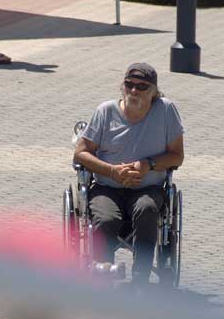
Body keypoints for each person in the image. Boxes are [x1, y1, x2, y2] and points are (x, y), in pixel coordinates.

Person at [73, 63, 185, 286]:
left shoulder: (165, 111)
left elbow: (177, 156)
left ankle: (140, 279)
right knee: (105, 218)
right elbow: (81, 153)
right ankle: (103, 276)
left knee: (147, 209)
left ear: (154, 91)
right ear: (122, 86)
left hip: (147, 188)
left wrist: (148, 165)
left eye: (142, 87)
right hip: (107, 187)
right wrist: (112, 171)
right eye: (129, 84)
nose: (134, 91)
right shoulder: (106, 112)